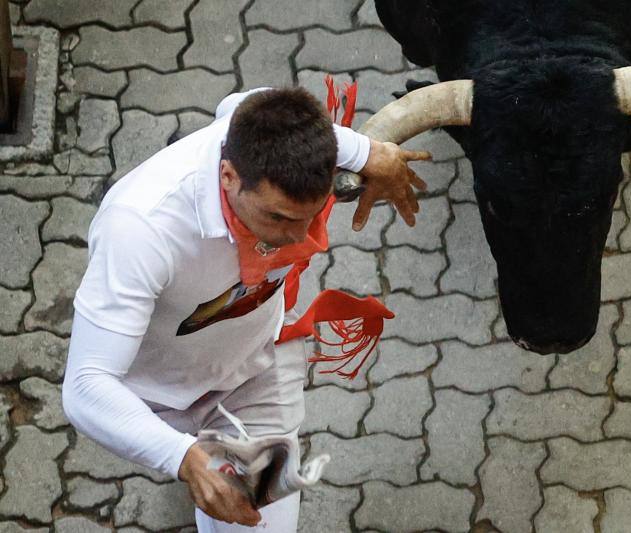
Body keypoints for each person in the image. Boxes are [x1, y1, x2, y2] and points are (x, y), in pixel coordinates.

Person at [62, 86, 431, 532]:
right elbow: (85, 386)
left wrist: (373, 153)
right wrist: (183, 458)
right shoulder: (139, 230)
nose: (298, 240)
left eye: (309, 218)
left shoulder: (258, 122)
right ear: (228, 176)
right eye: (277, 218)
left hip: (257, 368)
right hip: (165, 398)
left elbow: (243, 101)